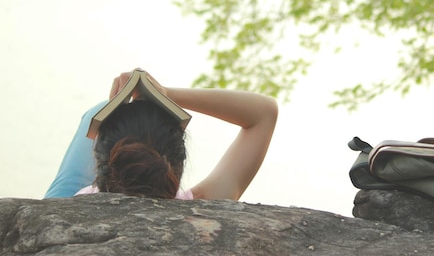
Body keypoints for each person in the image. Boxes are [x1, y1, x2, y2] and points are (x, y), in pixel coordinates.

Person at [44, 70, 278, 200]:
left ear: (99, 160)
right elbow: (264, 113)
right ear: (177, 164)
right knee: (101, 113)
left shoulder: (69, 208)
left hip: (72, 201)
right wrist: (167, 94)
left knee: (97, 112)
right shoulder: (201, 203)